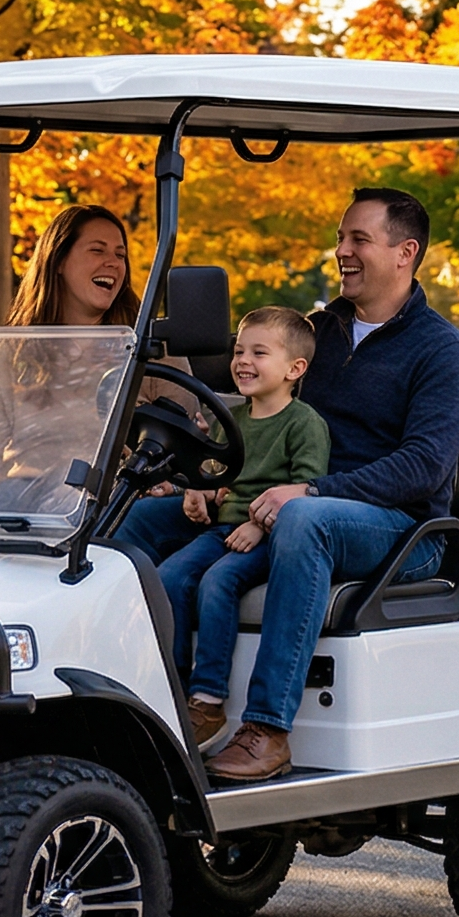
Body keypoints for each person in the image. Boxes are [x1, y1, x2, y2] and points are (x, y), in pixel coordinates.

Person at [124, 188, 459, 782]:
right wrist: (203, 483)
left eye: (358, 239)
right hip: (290, 506)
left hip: (400, 529)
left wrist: (310, 493)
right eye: (342, 238)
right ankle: (141, 696)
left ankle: (267, 728)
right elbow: (263, 420)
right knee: (138, 517)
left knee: (302, 521)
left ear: (404, 252)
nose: (341, 251)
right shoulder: (315, 333)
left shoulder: (443, 351)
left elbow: (423, 468)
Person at [127, 308, 331, 748]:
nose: (243, 361)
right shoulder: (231, 419)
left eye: (259, 352)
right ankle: (171, 687)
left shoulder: (304, 425)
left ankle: (209, 698)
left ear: (295, 369)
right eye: (239, 351)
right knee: (170, 576)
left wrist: (259, 526)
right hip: (225, 530)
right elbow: (212, 474)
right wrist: (197, 493)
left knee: (217, 581)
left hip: (271, 537)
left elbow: (302, 493)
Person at [0, 204, 142, 511]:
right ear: (58, 260)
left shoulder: (145, 345)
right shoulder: (7, 350)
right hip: (24, 496)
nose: (113, 263)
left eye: (120, 255)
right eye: (97, 251)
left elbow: (184, 432)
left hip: (112, 498)